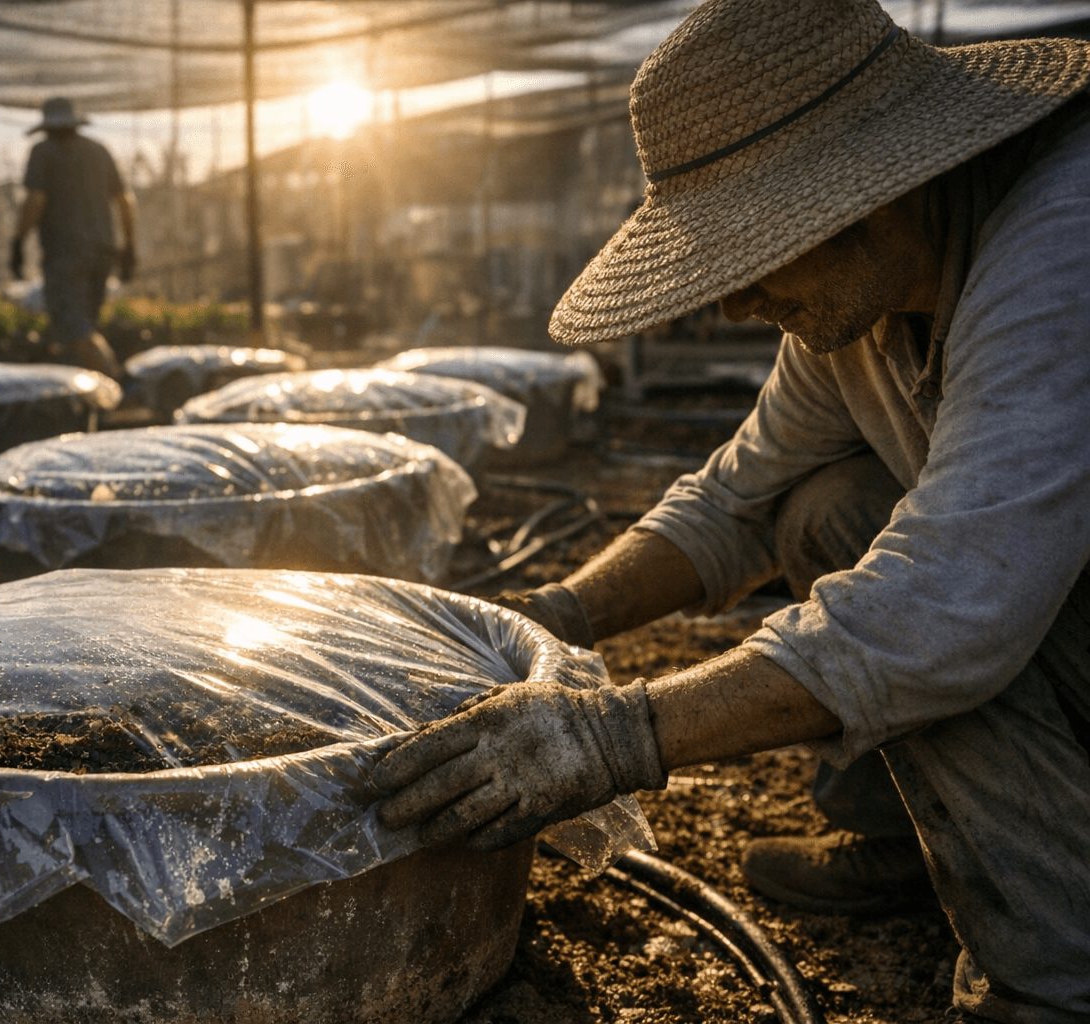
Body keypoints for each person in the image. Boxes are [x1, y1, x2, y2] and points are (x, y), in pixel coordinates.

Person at [371, 0, 1090, 1019]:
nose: (732, 304)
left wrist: (613, 738)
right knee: (825, 508)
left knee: (910, 606)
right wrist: (551, 615)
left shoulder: (1064, 244)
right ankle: (919, 845)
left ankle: (1056, 978)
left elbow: (950, 603)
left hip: (1013, 603)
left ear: (870, 195)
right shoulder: (868, 300)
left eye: (752, 252)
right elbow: (736, 499)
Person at [11, 97, 136, 379]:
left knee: (76, 332)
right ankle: (102, 387)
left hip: (66, 253)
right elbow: (124, 201)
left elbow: (35, 200)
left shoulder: (43, 152)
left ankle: (118, 386)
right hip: (104, 252)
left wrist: (18, 243)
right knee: (85, 328)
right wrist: (129, 246)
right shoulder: (99, 150)